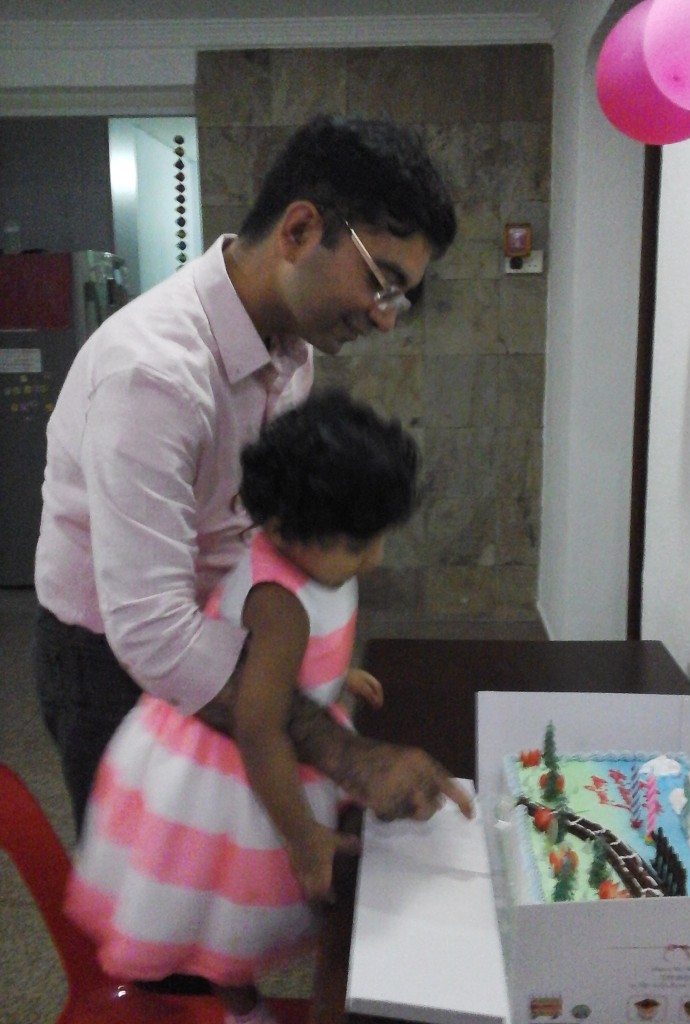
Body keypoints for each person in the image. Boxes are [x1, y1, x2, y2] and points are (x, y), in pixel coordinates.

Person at [33, 113, 469, 847]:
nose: (386, 319)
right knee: (160, 875)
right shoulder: (154, 373)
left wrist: (303, 671)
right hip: (107, 655)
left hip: (213, 622)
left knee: (232, 842)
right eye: (381, 283)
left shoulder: (292, 350)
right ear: (299, 230)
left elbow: (263, 529)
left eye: (399, 298)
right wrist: (341, 751)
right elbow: (151, 630)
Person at [66, 390, 464, 1024]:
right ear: (281, 528)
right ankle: (242, 1009)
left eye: (379, 538)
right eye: (358, 544)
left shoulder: (315, 559)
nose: (374, 558)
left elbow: (289, 663)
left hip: (271, 722)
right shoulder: (280, 605)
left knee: (233, 914)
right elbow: (259, 729)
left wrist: (333, 675)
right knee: (224, 910)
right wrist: (302, 837)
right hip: (237, 768)